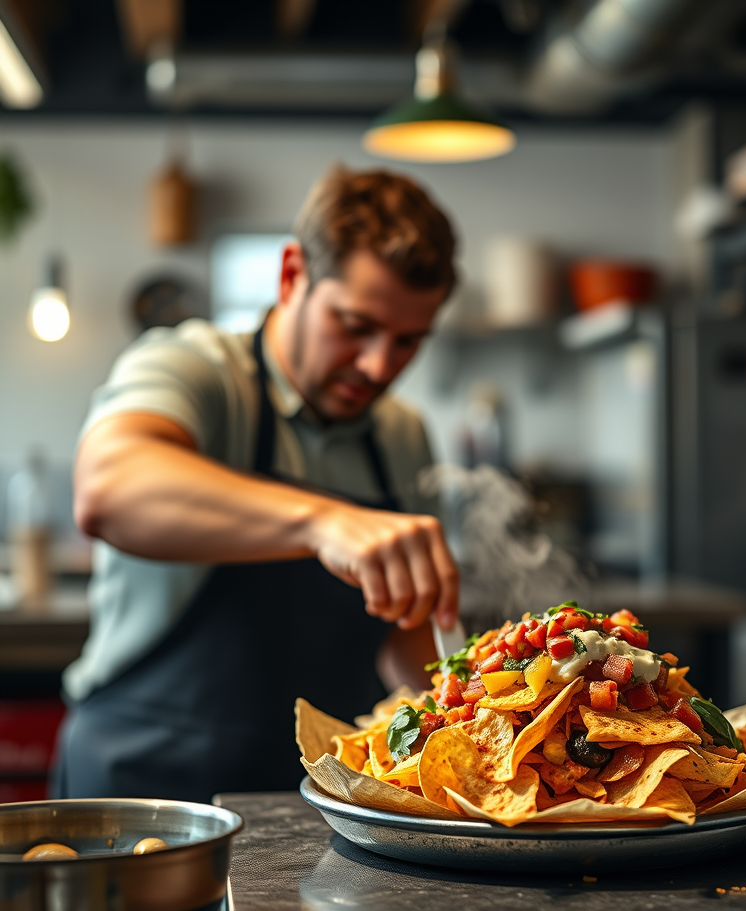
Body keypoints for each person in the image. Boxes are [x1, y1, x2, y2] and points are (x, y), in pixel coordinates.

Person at [54, 166, 461, 802]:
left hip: (320, 800)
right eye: (355, 325)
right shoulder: (197, 369)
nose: (380, 365)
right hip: (144, 788)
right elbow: (108, 486)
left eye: (408, 341)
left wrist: (478, 719)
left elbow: (409, 628)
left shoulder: (401, 435)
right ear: (293, 273)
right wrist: (323, 522)